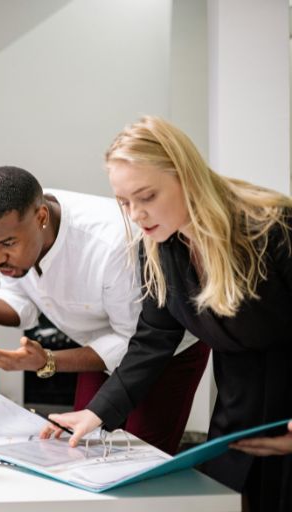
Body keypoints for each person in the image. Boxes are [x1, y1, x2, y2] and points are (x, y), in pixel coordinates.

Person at [43, 116, 292, 511]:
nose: (136, 215)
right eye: (124, 202)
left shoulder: (272, 228)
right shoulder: (161, 245)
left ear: (185, 176)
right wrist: (97, 412)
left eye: (147, 196)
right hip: (239, 416)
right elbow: (153, 338)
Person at [0, 166, 210, 454]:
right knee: (75, 447)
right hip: (95, 347)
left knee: (143, 457)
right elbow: (19, 298)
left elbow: (136, 343)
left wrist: (48, 361)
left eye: (7, 244)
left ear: (41, 218)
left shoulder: (110, 244)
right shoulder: (17, 224)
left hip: (164, 353)